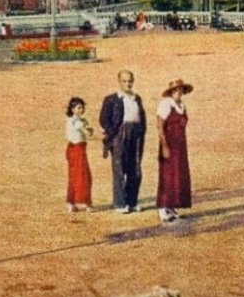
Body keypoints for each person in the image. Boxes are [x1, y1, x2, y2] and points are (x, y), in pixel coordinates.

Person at [99, 70, 147, 214]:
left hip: (136, 133)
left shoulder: (137, 98)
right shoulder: (112, 99)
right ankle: (119, 203)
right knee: (119, 168)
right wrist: (112, 132)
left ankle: (132, 202)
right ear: (119, 82)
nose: (128, 84)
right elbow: (103, 119)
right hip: (119, 134)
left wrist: (141, 130)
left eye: (130, 81)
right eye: (124, 81)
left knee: (136, 168)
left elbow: (142, 116)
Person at [156, 79, 193, 224]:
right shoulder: (165, 105)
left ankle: (171, 206)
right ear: (171, 92)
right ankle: (162, 207)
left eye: (180, 90)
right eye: (176, 90)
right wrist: (164, 146)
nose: (178, 92)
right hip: (169, 144)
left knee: (178, 174)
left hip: (180, 145)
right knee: (167, 175)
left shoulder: (182, 105)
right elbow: (160, 126)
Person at [65, 97, 94, 213]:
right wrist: (87, 129)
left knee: (74, 176)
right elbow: (88, 132)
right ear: (72, 109)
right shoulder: (75, 121)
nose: (81, 110)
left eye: (82, 107)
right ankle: (85, 202)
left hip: (78, 149)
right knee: (83, 175)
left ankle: (71, 202)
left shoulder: (78, 120)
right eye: (78, 108)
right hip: (77, 150)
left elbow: (89, 132)